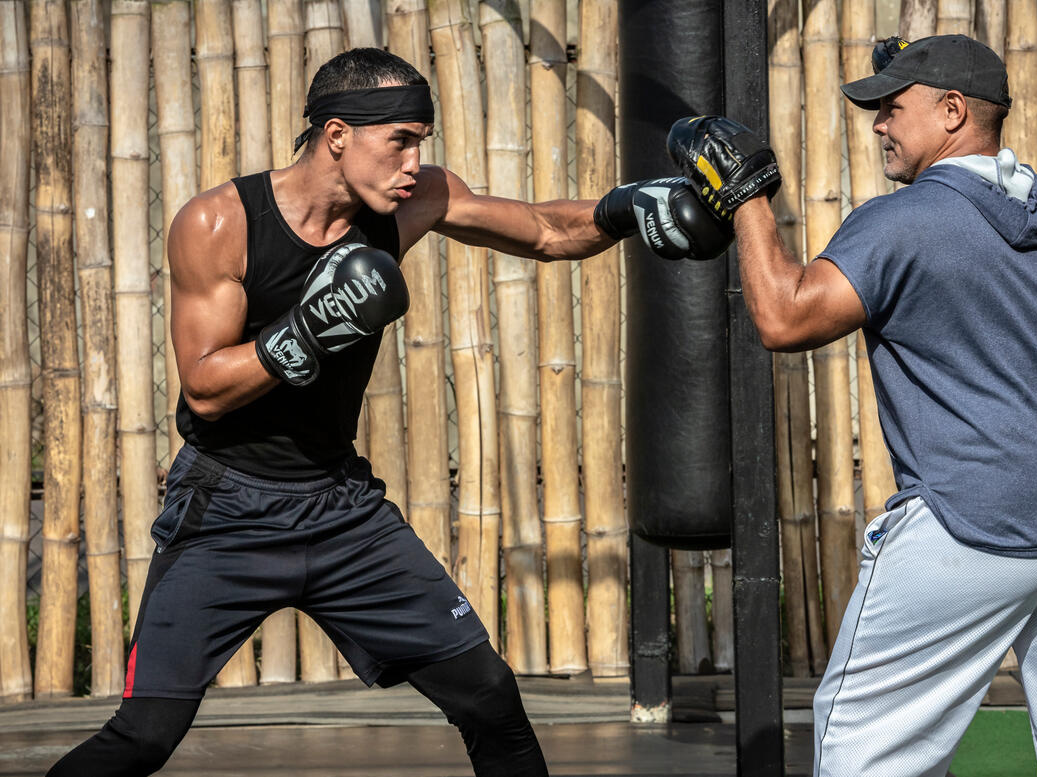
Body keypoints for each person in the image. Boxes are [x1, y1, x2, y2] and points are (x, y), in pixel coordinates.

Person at [47, 47, 728, 777]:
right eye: (398, 141)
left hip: (342, 508)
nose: (413, 163)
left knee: (491, 697)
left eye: (420, 144)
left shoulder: (411, 202)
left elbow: (542, 230)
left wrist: (626, 208)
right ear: (337, 135)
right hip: (227, 507)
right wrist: (302, 332)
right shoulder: (220, 223)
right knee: (145, 734)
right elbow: (205, 387)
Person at [668, 34, 1037, 777]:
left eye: (892, 108)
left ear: (953, 111)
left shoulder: (902, 221)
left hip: (971, 518)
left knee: (865, 744)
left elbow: (784, 316)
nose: (878, 125)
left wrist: (747, 199)